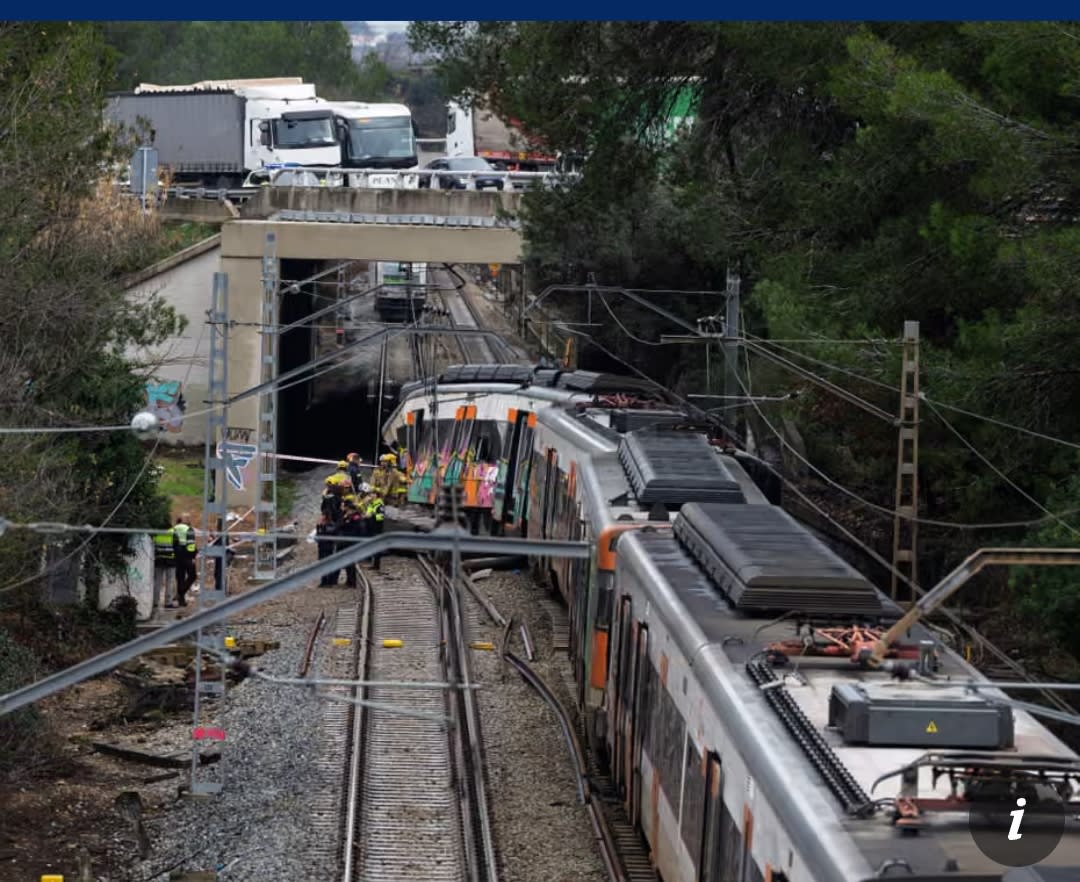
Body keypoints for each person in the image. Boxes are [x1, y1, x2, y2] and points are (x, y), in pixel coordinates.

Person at [172, 514, 198, 607]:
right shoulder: (188, 529)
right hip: (186, 555)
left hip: (176, 554)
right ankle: (181, 593)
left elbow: (173, 542)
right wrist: (192, 556)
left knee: (180, 577)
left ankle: (181, 601)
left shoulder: (174, 528)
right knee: (193, 575)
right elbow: (191, 545)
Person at [152, 525, 176, 609]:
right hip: (171, 560)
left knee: (157, 581)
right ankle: (168, 603)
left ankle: (155, 602)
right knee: (170, 582)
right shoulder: (173, 533)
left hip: (159, 560)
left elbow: (153, 545)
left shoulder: (156, 533)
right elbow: (177, 547)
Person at [364, 490, 386, 571]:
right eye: (370, 494)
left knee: (376, 546)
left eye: (373, 494)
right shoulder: (371, 504)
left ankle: (376, 564)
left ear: (377, 495)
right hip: (370, 527)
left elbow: (381, 517)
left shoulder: (379, 504)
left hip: (377, 528)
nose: (371, 496)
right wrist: (365, 504)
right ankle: (372, 562)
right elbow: (367, 512)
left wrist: (372, 515)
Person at [315, 513, 338, 587]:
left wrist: (322, 527)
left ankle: (330, 581)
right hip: (321, 547)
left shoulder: (331, 525)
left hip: (328, 547)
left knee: (329, 564)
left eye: (322, 516)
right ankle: (323, 581)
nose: (321, 517)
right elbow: (318, 535)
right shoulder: (320, 525)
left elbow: (329, 534)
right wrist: (319, 527)